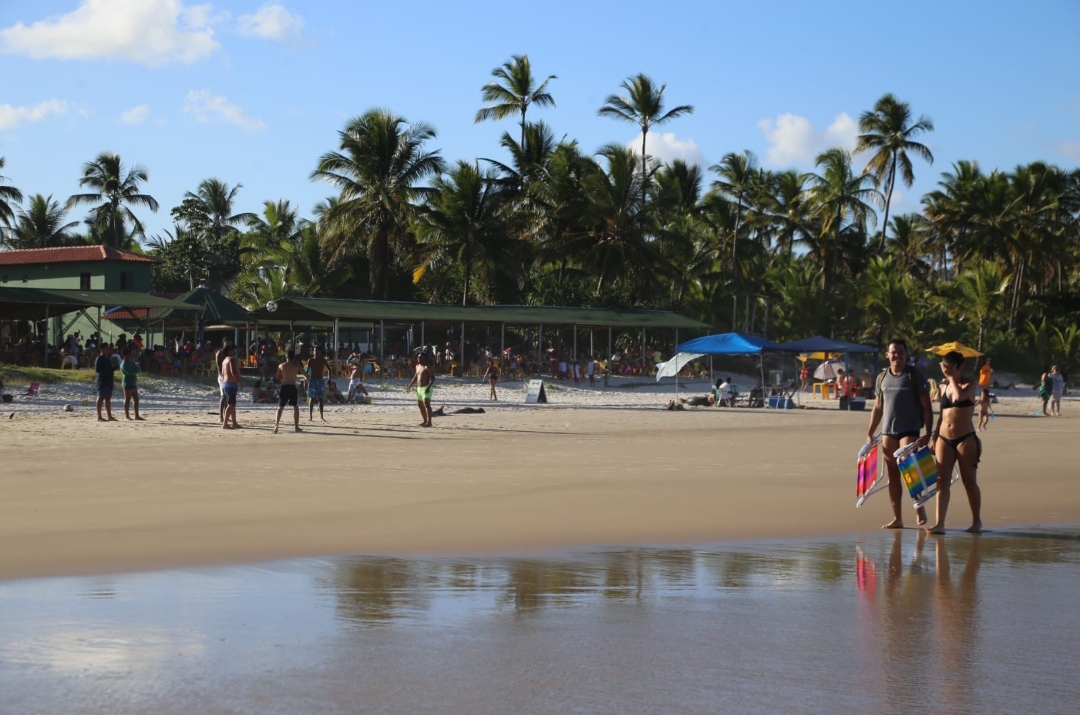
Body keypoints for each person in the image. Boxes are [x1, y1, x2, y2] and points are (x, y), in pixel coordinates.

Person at [866, 338, 934, 529]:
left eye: (900, 352)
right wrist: (870, 432)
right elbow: (877, 408)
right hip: (888, 430)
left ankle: (918, 505)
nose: (897, 355)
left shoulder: (914, 376)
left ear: (906, 355)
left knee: (908, 467)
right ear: (887, 355)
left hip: (910, 429)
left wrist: (928, 432)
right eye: (893, 352)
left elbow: (927, 407)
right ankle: (898, 518)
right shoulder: (882, 378)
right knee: (893, 475)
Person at [926, 350, 983, 534]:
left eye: (950, 367)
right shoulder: (943, 386)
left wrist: (951, 378)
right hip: (944, 437)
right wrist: (934, 437)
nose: (946, 370)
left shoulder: (970, 383)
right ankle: (939, 523)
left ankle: (976, 522)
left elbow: (959, 397)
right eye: (944, 366)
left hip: (965, 438)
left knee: (969, 481)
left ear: (959, 367)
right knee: (941, 481)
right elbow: (941, 415)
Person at [274, 349, 307, 434]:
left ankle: (276, 425)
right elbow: (307, 376)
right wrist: (303, 380)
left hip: (284, 386)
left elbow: (277, 377)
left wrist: (284, 377)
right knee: (295, 407)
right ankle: (296, 427)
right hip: (292, 387)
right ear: (293, 357)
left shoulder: (281, 366)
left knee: (280, 407)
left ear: (286, 356)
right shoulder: (297, 366)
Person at [405, 352, 435, 427]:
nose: (419, 359)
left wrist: (428, 387)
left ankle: (429, 422)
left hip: (426, 388)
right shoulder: (417, 366)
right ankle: (425, 421)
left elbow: (433, 378)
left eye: (420, 357)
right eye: (418, 357)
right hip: (419, 388)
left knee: (427, 404)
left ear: (424, 358)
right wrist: (410, 386)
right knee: (420, 405)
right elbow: (415, 377)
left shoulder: (427, 367)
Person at [220, 344, 242, 430]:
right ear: (229, 351)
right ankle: (225, 424)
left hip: (225, 383)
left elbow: (222, 373)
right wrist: (239, 381)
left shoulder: (224, 360)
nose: (234, 351)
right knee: (231, 404)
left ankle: (234, 423)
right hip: (231, 384)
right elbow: (233, 371)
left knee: (232, 405)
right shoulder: (231, 359)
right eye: (233, 350)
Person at [120, 346, 144, 420]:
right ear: (124, 355)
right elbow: (129, 372)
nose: (130, 356)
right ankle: (127, 416)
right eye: (128, 355)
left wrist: (135, 370)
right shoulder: (123, 364)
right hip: (127, 383)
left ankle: (137, 415)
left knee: (136, 399)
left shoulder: (131, 362)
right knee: (127, 399)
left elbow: (137, 369)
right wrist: (135, 371)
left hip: (133, 382)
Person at [306, 345, 329, 422]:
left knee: (321, 399)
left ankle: (321, 416)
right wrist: (306, 379)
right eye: (314, 351)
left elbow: (329, 369)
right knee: (311, 398)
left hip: (320, 380)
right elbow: (307, 371)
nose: (315, 352)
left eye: (317, 351)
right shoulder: (310, 360)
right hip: (312, 380)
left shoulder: (323, 360)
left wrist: (330, 378)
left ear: (320, 352)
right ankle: (310, 416)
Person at [94, 344, 117, 422]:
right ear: (102, 349)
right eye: (106, 348)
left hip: (109, 380)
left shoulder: (108, 358)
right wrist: (108, 369)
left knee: (108, 398)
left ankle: (109, 416)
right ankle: (99, 416)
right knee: (100, 398)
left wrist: (112, 369)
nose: (108, 350)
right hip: (102, 380)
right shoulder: (99, 358)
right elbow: (97, 370)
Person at [216, 340, 231, 425]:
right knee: (223, 396)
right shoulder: (220, 353)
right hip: (222, 376)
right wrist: (220, 374)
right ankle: (220, 416)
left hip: (227, 376)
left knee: (227, 397)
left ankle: (226, 415)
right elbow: (218, 364)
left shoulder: (228, 353)